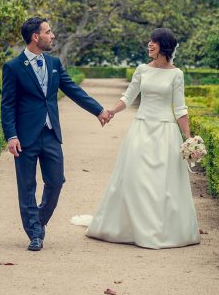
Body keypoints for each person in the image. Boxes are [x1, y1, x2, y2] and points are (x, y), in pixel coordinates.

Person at [77, 27, 200, 249]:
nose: (149, 45)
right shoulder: (142, 69)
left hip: (165, 133)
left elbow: (180, 109)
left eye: (154, 42)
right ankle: (131, 227)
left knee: (162, 183)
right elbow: (128, 96)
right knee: (136, 178)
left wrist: (189, 138)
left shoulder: (176, 74)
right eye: (149, 41)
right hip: (141, 129)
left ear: (164, 46)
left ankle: (160, 230)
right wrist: (111, 112)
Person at [1, 17, 113, 251]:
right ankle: (34, 234)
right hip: (25, 137)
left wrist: (99, 110)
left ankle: (38, 222)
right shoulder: (12, 67)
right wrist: (11, 135)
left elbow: (72, 89)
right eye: (48, 32)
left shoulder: (54, 63)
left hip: (51, 134)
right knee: (27, 186)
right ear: (35, 37)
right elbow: (7, 105)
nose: (52, 36)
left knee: (56, 181)